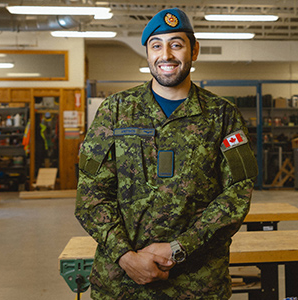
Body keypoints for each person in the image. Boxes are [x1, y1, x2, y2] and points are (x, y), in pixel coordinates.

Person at [75, 7, 258, 299]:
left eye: (176, 44)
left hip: (197, 284)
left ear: (193, 50)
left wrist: (179, 248)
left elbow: (237, 195)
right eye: (156, 45)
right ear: (147, 53)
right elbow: (91, 194)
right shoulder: (116, 110)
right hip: (122, 284)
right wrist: (126, 256)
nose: (166, 55)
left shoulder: (223, 116)